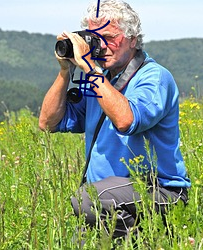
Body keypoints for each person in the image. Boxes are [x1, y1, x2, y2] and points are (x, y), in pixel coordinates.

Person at [39, 0, 191, 243]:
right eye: (94, 38)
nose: (101, 46)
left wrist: (90, 69)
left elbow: (126, 121)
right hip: (109, 199)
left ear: (132, 39)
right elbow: (48, 123)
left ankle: (144, 242)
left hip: (158, 191)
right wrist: (65, 70)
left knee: (87, 200)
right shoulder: (100, 80)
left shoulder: (153, 77)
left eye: (109, 37)